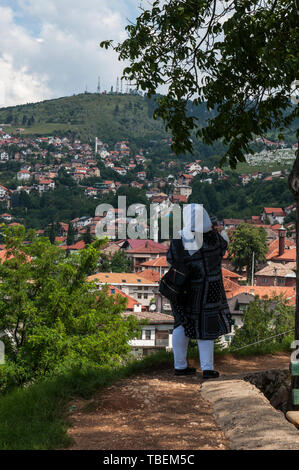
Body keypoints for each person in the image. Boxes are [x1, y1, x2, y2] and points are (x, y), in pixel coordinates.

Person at [167, 203, 232, 379]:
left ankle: (180, 366)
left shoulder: (180, 239)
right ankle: (207, 369)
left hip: (184, 289)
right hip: (210, 288)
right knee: (206, 327)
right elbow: (223, 249)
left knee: (181, 324)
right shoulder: (214, 238)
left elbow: (170, 259)